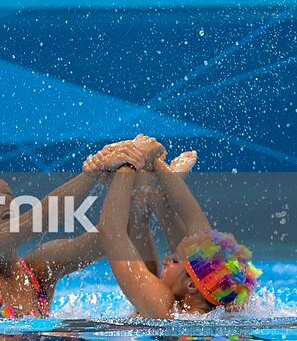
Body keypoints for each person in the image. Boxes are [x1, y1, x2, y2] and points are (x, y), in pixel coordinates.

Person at [0, 138, 160, 319]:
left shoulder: (39, 271)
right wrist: (96, 170)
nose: (3, 201)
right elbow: (36, 222)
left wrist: (136, 173)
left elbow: (113, 234)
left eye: (8, 195)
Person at [90, 137, 262, 319]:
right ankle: (159, 203)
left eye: (174, 261)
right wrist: (157, 164)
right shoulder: (227, 301)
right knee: (147, 295)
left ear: (192, 286)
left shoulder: (165, 311)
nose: (166, 260)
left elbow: (111, 231)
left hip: (151, 318)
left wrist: (130, 161)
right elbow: (200, 231)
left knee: (140, 308)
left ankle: (151, 202)